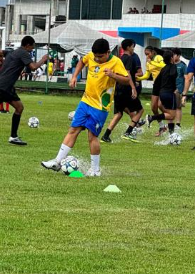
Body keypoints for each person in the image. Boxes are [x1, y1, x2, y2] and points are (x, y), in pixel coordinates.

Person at [41, 38, 130, 177]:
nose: (97, 59)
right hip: (85, 101)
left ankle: (95, 170)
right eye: (95, 57)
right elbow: (83, 61)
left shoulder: (116, 62)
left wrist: (113, 75)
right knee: (73, 129)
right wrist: (75, 76)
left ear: (108, 52)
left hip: (100, 106)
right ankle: (57, 161)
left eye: (100, 57)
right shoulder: (91, 56)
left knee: (92, 136)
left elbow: (126, 80)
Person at [101, 38, 141, 143]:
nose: (133, 49)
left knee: (119, 113)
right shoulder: (129, 58)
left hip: (118, 88)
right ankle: (128, 132)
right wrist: (133, 87)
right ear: (128, 47)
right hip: (126, 89)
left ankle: (106, 135)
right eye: (133, 46)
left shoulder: (120, 58)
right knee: (140, 110)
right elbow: (127, 73)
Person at [149, 49, 180, 142]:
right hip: (170, 93)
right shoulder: (172, 67)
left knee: (166, 112)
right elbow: (173, 74)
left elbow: (157, 82)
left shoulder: (163, 69)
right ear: (171, 58)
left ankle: (170, 133)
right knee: (171, 116)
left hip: (162, 93)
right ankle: (152, 118)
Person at [137, 46, 166, 136]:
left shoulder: (158, 58)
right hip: (156, 86)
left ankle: (171, 122)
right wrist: (138, 78)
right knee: (153, 107)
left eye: (148, 54)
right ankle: (162, 126)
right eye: (145, 54)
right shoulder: (148, 62)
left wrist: (152, 62)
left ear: (153, 52)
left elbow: (163, 65)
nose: (147, 56)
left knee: (160, 105)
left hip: (164, 84)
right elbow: (147, 75)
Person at [172, 48, 186, 130]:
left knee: (178, 107)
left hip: (178, 90)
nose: (172, 56)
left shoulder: (182, 65)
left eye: (174, 54)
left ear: (178, 55)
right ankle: (170, 123)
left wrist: (184, 91)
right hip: (170, 89)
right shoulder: (170, 64)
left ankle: (177, 124)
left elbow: (186, 78)